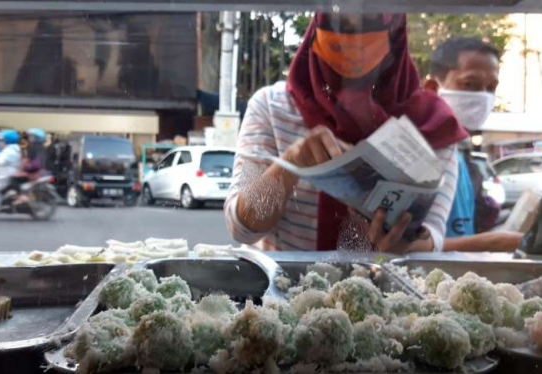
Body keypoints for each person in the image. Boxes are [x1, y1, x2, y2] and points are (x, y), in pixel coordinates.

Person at [224, 13, 468, 253]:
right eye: (338, 22)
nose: (353, 41)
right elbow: (242, 228)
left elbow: (432, 235)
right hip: (289, 288)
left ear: (396, 31)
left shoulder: (433, 124)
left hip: (385, 288)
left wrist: (406, 244)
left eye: (370, 22)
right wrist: (290, 164)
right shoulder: (271, 107)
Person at [424, 37, 523, 251]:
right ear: (432, 88)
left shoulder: (460, 155)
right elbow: (409, 247)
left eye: (491, 87)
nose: (483, 96)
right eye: (469, 84)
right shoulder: (423, 152)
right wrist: (496, 242)